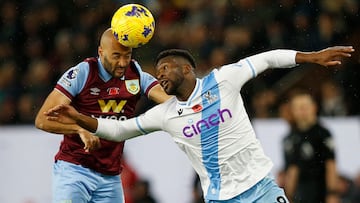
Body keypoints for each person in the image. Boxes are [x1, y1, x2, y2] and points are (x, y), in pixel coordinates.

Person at [44, 46, 354, 202]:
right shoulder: (165, 114)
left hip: (262, 189)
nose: (160, 74)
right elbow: (119, 129)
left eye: (165, 68)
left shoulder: (224, 80)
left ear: (187, 69)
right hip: (220, 199)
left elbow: (268, 59)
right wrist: (78, 118)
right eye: (157, 69)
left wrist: (311, 56)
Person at [34, 28, 170, 203]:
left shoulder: (136, 74)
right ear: (101, 52)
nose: (122, 63)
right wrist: (78, 129)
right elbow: (42, 120)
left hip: (110, 177)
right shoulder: (82, 73)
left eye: (127, 56)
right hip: (75, 169)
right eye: (116, 56)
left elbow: (170, 100)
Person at [282, 90, 339, 203]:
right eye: (298, 107)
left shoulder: (323, 134)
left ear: (314, 107)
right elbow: (291, 170)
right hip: (299, 195)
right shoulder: (289, 138)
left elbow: (331, 165)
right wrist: (288, 196)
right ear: (293, 110)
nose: (302, 110)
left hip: (320, 193)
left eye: (305, 106)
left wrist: (332, 193)